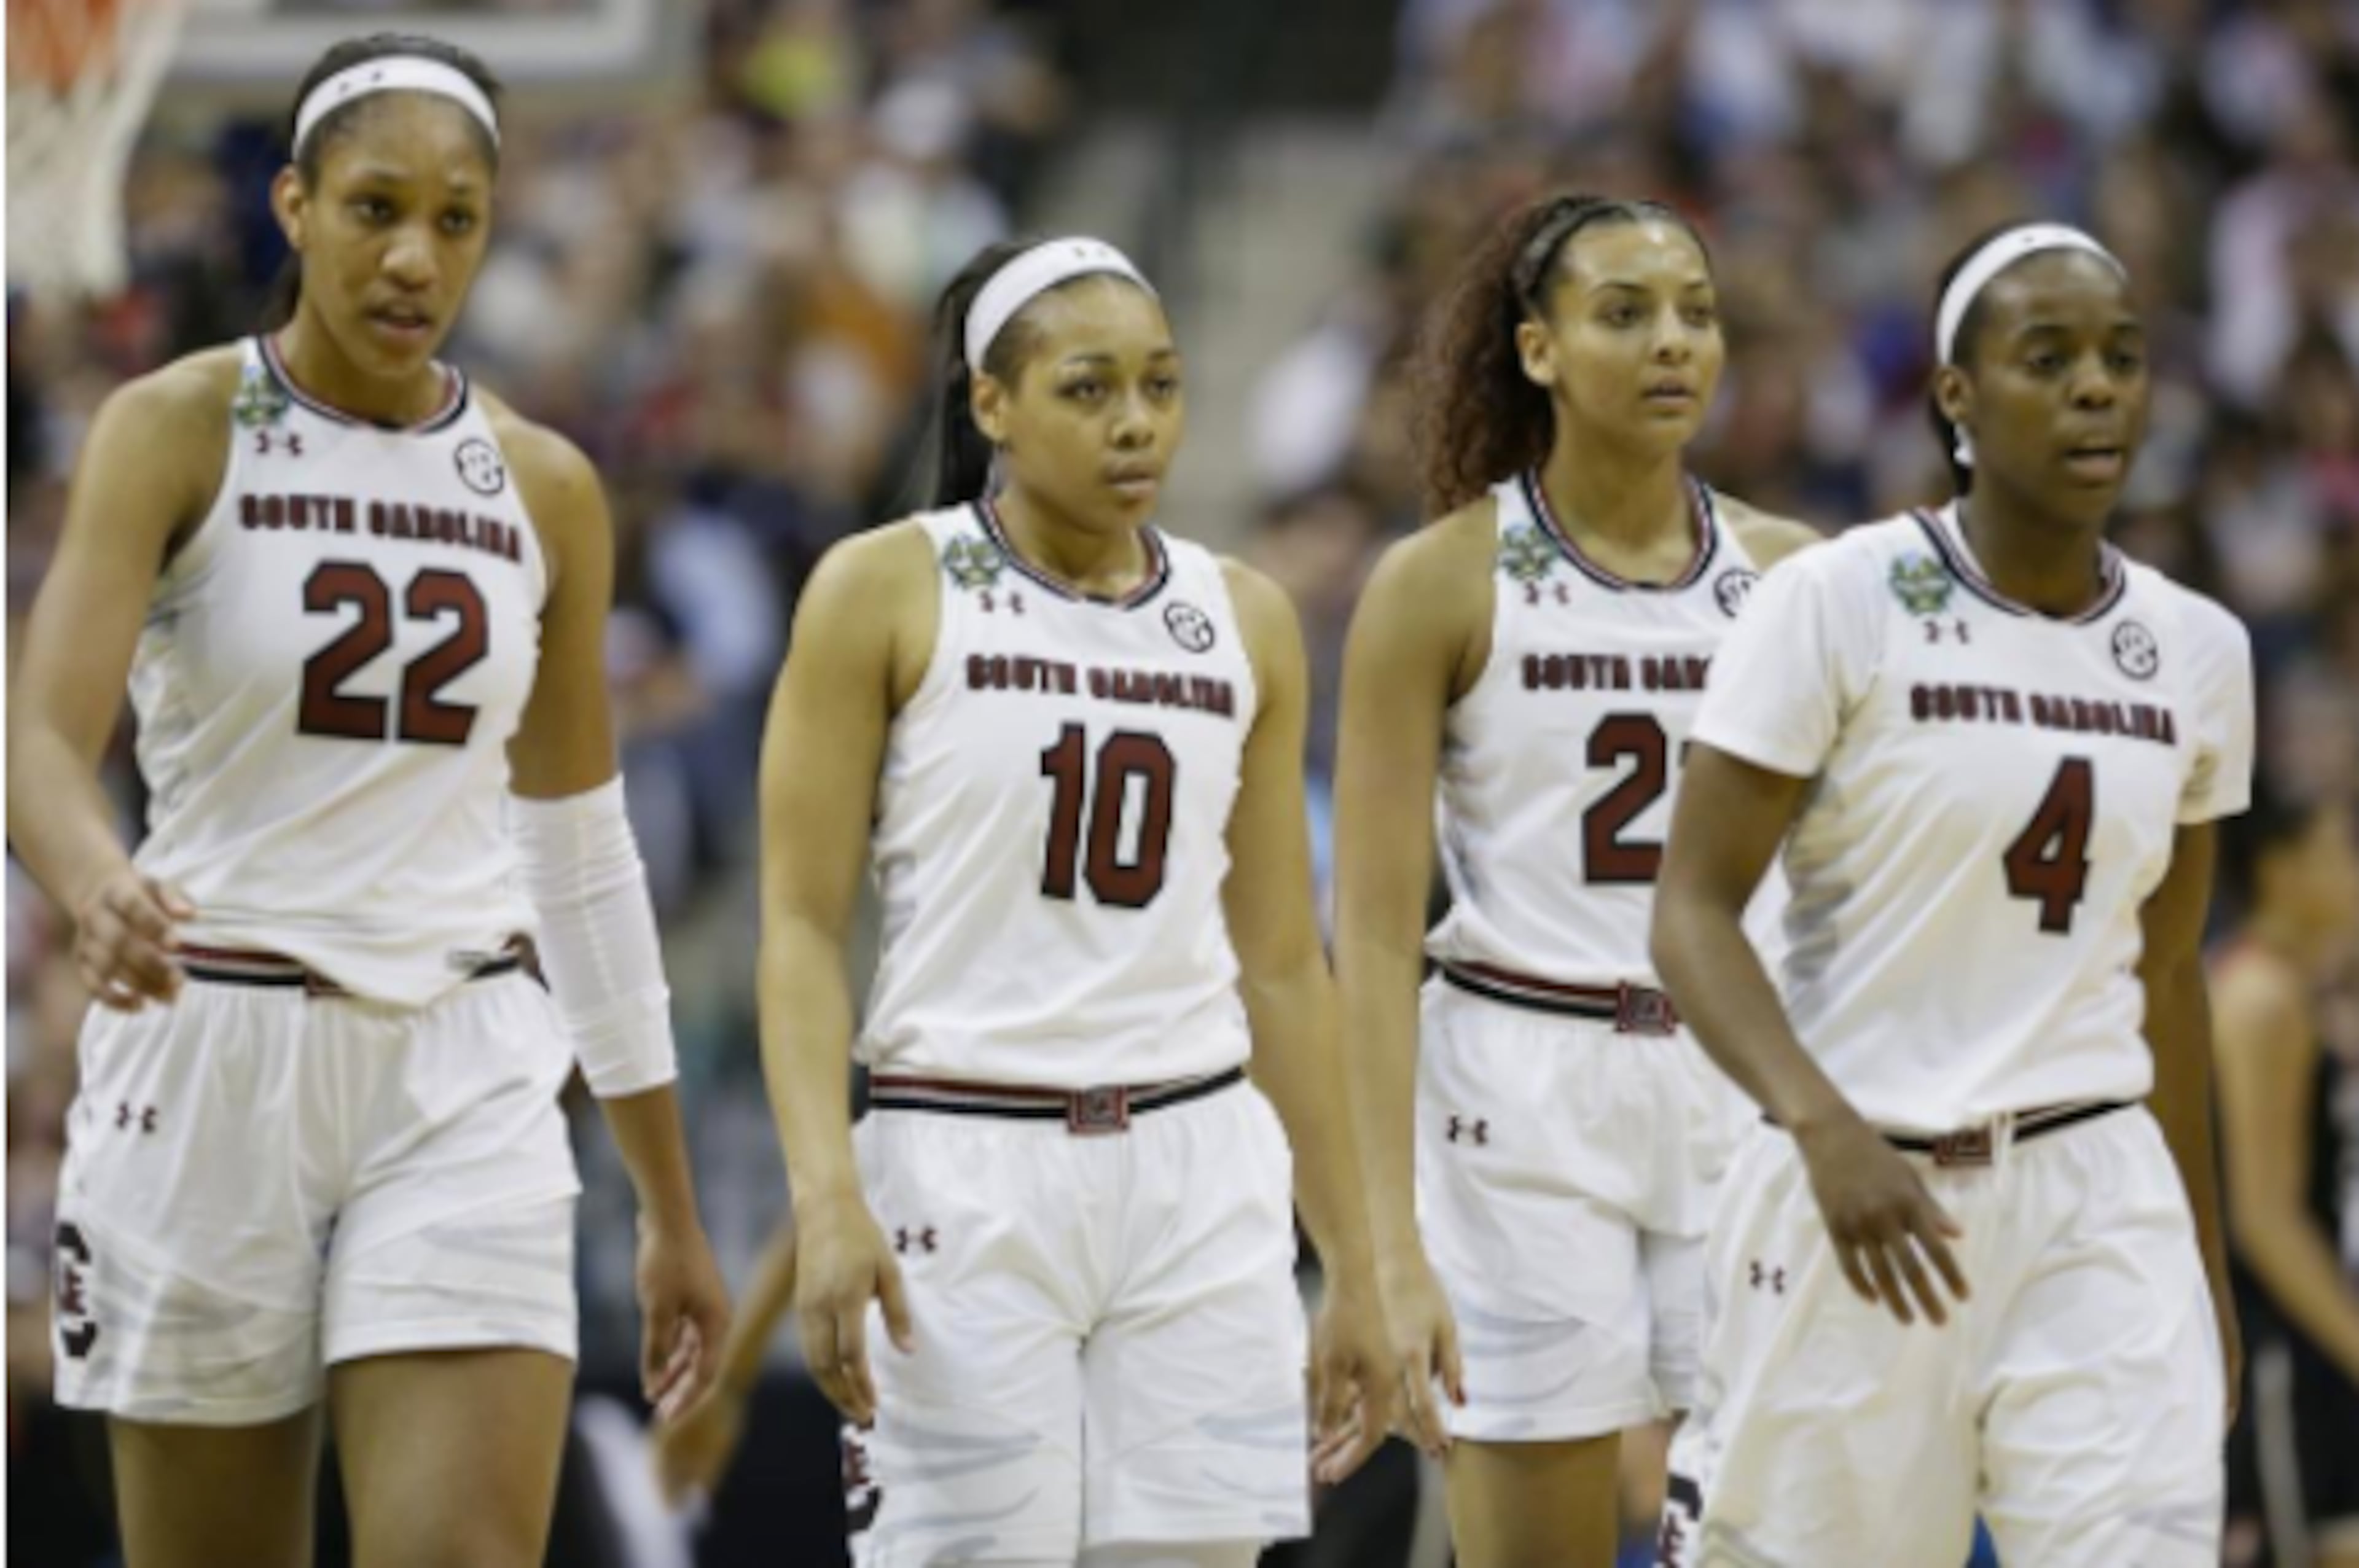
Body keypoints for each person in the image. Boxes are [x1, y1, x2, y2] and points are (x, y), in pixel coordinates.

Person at [4, 34, 730, 1568]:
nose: (414, 254)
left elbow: (584, 850)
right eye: (375, 207)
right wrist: (90, 877)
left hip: (459, 1063)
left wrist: (665, 1191)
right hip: (214, 1044)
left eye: (455, 219)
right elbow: (37, 739)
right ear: (294, 204)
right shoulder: (175, 425)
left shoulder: (543, 484)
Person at [756, 235, 1401, 1568]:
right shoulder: (884, 586)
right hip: (964, 1157)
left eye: (1161, 388)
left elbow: (1283, 962)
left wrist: (1351, 1252)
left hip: (1198, 1172)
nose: (1135, 424)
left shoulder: (1247, 616)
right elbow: (803, 928)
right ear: (991, 401)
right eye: (1090, 388)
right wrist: (827, 1192)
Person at [1649, 221, 2253, 1567]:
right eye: (2049, 358)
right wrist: (1821, 1124)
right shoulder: (1835, 601)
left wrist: (2200, 1268)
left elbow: (2164, 979)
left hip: (2099, 1196)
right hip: (1860, 1190)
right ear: (1958, 398)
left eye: (2123, 358)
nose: (2098, 387)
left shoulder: (2201, 651)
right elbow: (1689, 914)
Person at [1329, 192, 1820, 1568]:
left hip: (1743, 1086)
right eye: (1626, 314)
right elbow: (1369, 937)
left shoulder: (1800, 578)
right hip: (1521, 1094)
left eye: (1696, 314)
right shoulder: (1438, 581)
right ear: (1536, 349)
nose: (1673, 344)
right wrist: (1383, 1242)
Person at [2215, 791, 2359, 1568]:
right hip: (2277, 1352)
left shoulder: (2293, 989)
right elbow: (2264, 1219)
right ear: (2284, 872)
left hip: (2310, 1349)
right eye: (2341, 853)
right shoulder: (2260, 999)